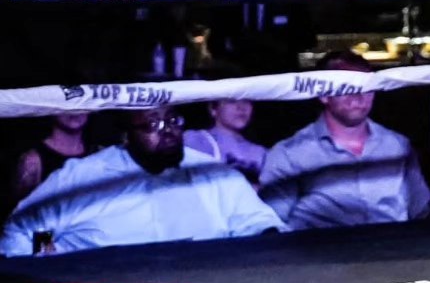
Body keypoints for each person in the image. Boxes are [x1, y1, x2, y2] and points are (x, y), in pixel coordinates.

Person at [1, 107, 282, 256]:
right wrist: (49, 265)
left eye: (173, 120)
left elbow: (260, 223)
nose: (167, 131)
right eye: (152, 124)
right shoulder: (84, 176)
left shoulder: (212, 172)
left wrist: (266, 244)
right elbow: (23, 230)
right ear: (127, 136)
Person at [258, 50, 430, 230]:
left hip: (394, 245)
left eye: (366, 88)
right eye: (347, 88)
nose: (358, 97)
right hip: (325, 247)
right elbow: (270, 224)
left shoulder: (397, 145)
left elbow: (423, 209)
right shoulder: (290, 153)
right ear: (323, 95)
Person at [184, 98, 267, 184]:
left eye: (246, 101)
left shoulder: (260, 152)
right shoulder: (197, 140)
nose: (241, 108)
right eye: (231, 101)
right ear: (213, 109)